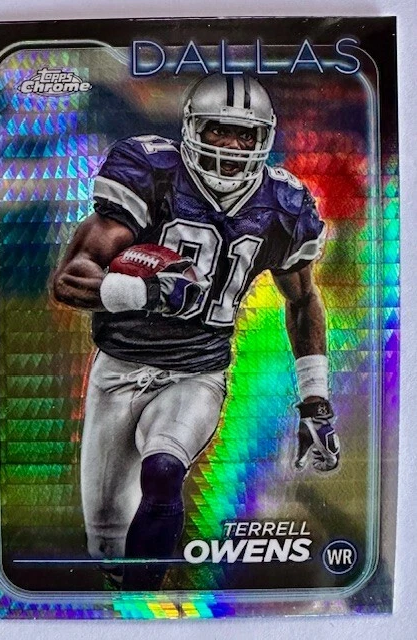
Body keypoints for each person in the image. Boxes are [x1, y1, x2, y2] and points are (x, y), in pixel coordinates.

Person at [52, 73, 340, 591]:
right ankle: (119, 586)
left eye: (244, 134)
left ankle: (143, 600)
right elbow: (72, 278)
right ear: (191, 129)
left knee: (164, 469)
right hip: (119, 366)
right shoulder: (153, 175)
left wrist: (315, 400)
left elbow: (302, 301)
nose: (231, 145)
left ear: (264, 139)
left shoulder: (282, 205)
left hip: (197, 372)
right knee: (107, 536)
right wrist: (143, 293)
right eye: (218, 130)